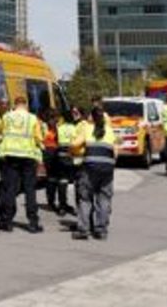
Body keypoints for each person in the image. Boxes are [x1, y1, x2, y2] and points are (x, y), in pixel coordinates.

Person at [0, 93, 44, 233]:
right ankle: (33, 223)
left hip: (11, 156)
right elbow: (38, 137)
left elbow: (0, 131)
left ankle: (7, 222)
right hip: (28, 156)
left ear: (15, 104)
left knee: (10, 189)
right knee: (30, 189)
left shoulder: (6, 117)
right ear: (26, 105)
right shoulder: (32, 118)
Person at [70, 102, 116, 239]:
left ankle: (84, 230)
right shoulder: (110, 130)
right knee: (104, 198)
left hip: (89, 168)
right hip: (107, 169)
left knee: (85, 198)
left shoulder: (87, 129)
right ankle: (101, 230)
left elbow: (74, 144)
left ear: (92, 117)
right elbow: (115, 150)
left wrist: (77, 151)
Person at [53, 107, 78, 214]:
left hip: (61, 156)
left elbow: (56, 140)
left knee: (62, 181)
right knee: (74, 182)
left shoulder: (59, 128)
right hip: (71, 156)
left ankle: (62, 206)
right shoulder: (75, 128)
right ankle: (77, 207)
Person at [42, 110, 60, 211]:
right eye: (53, 118)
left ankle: (54, 200)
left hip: (56, 152)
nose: (55, 120)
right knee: (50, 178)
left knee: (54, 178)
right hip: (48, 152)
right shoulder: (44, 127)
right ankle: (51, 201)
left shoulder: (57, 127)